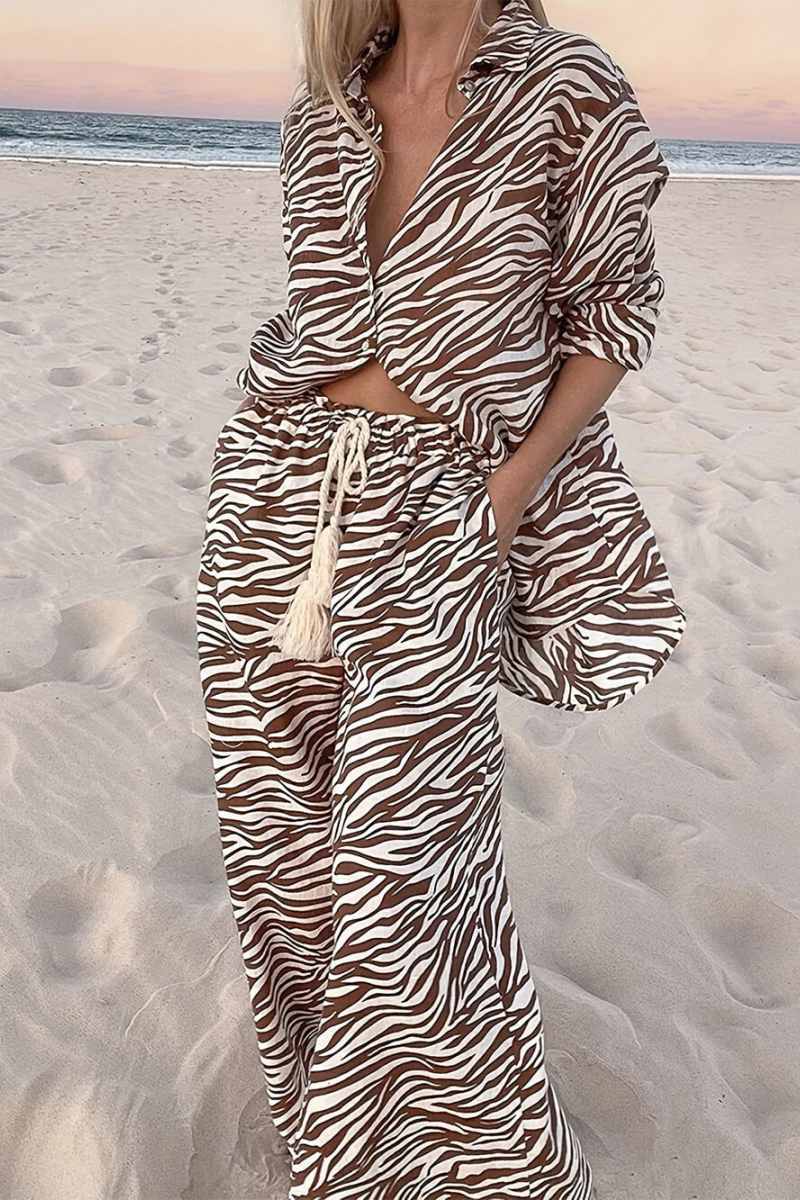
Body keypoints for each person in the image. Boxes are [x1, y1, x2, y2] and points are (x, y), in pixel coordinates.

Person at [196, 1, 686, 1196]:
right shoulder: (322, 109)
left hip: (446, 505)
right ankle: (329, 1127)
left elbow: (613, 313)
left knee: (408, 862)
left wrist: (509, 491)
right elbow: (317, 317)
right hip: (278, 499)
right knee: (282, 843)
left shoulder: (566, 88)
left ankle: (471, 1160)